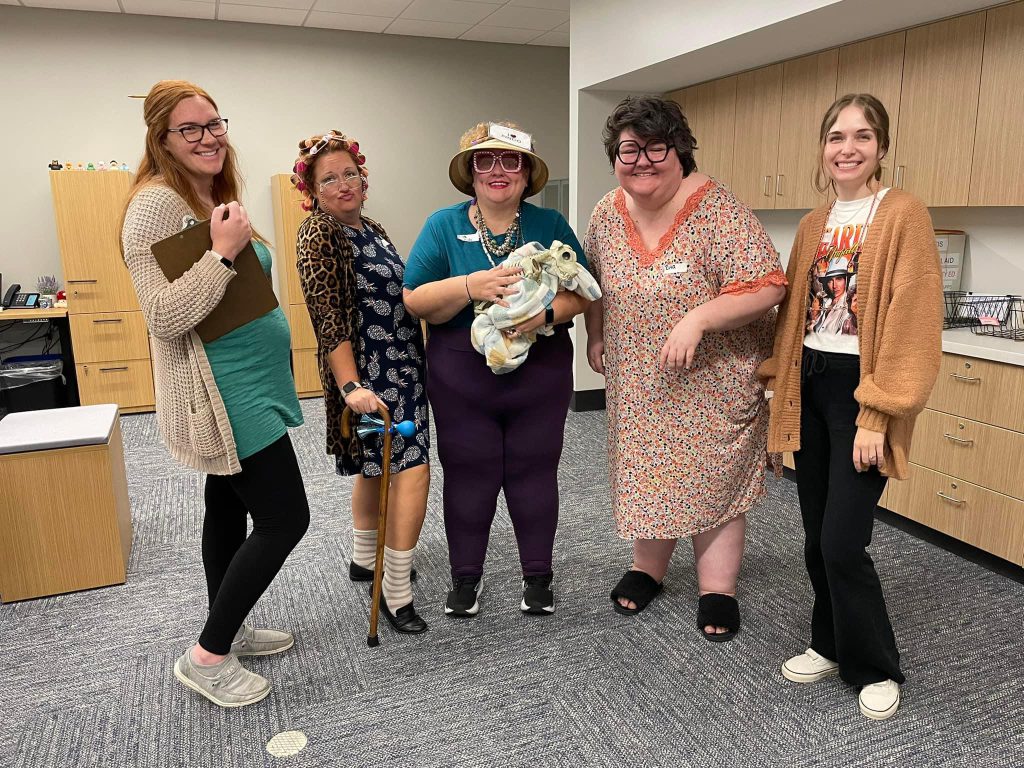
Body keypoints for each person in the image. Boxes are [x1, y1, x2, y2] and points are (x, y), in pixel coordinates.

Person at [120, 80, 309, 707]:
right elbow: (165, 314)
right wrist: (224, 255)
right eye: (191, 129)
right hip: (222, 392)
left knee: (227, 509)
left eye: (215, 123)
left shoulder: (210, 193)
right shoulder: (154, 206)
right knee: (286, 518)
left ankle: (226, 625)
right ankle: (207, 656)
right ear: (162, 139)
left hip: (250, 379)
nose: (210, 137)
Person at [758, 93, 942, 720]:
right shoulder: (815, 223)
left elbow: (911, 322)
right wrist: (777, 386)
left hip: (859, 391)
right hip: (809, 383)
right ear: (824, 148)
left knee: (843, 542)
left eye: (862, 137)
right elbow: (792, 318)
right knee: (814, 536)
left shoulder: (903, 215)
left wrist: (877, 414)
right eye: (837, 137)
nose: (848, 148)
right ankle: (829, 641)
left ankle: (876, 666)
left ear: (882, 148)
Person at [583, 95, 786, 640]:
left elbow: (767, 284)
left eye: (656, 147)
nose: (642, 161)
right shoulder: (607, 211)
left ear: (680, 152)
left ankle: (717, 589)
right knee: (648, 470)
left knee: (711, 480)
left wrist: (698, 318)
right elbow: (593, 281)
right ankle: (648, 568)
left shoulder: (717, 207)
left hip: (712, 379)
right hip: (640, 382)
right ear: (614, 156)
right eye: (629, 149)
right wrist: (596, 332)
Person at [403, 121, 591, 617]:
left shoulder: (549, 225)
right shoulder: (442, 226)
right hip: (462, 376)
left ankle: (538, 577)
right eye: (485, 161)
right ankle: (465, 579)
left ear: (527, 173)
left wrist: (546, 314)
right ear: (470, 172)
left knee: (535, 470)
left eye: (511, 161)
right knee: (468, 474)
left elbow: (584, 289)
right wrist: (469, 286)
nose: (498, 171)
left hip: (540, 372)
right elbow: (415, 298)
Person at [292, 131, 430, 634]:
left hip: (402, 364)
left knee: (373, 470)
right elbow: (328, 316)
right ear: (313, 189)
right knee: (411, 470)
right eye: (329, 178)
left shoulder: (371, 228)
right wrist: (351, 388)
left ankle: (363, 558)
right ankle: (395, 591)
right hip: (370, 373)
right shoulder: (320, 234)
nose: (343, 184)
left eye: (349, 173)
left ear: (363, 177)